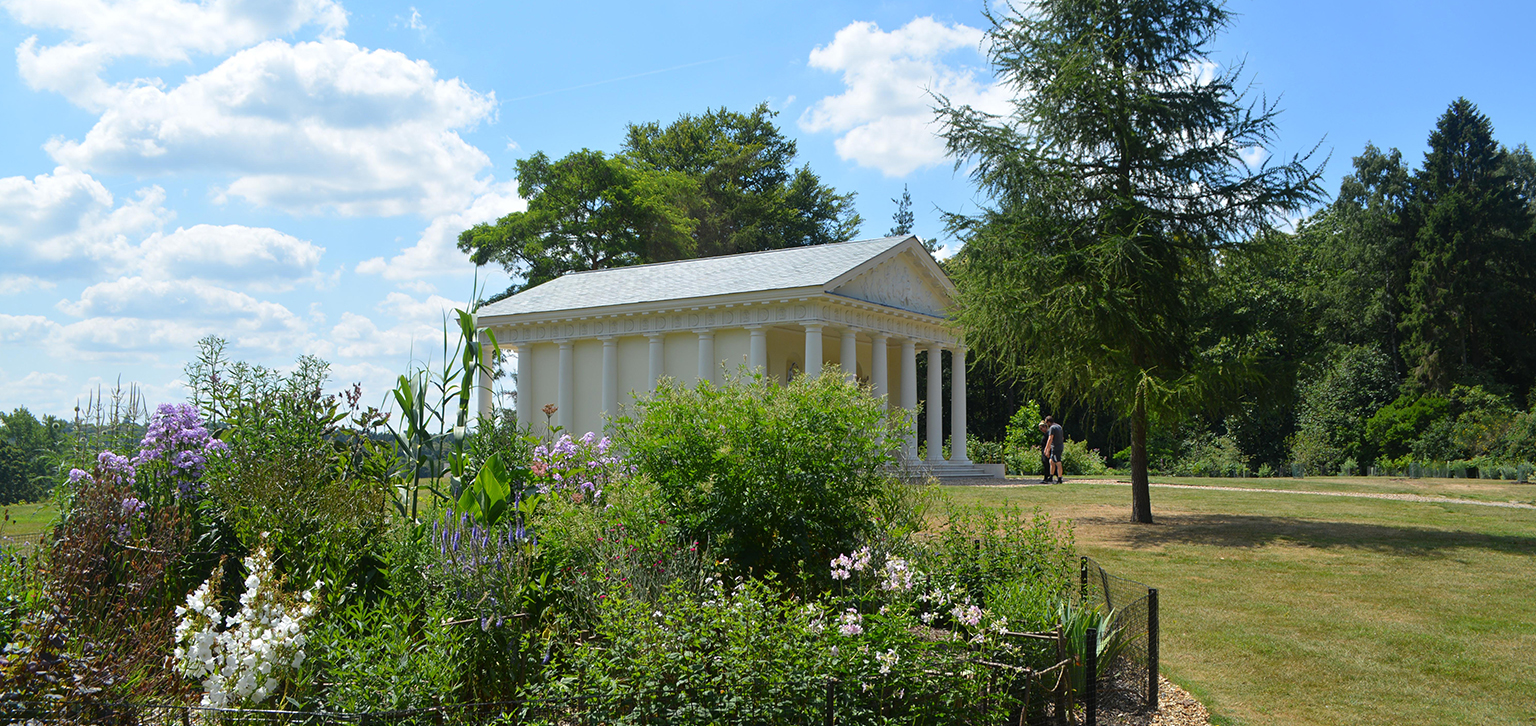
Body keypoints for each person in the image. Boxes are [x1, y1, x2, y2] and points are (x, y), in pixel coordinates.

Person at [1040, 415, 1064, 484]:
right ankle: (1051, 477)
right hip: (1060, 446)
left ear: (1048, 422)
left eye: (1046, 423)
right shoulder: (1059, 426)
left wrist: (1047, 449)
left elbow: (1050, 438)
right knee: (1051, 461)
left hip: (1056, 447)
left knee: (1058, 462)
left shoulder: (1052, 428)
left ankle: (1059, 479)